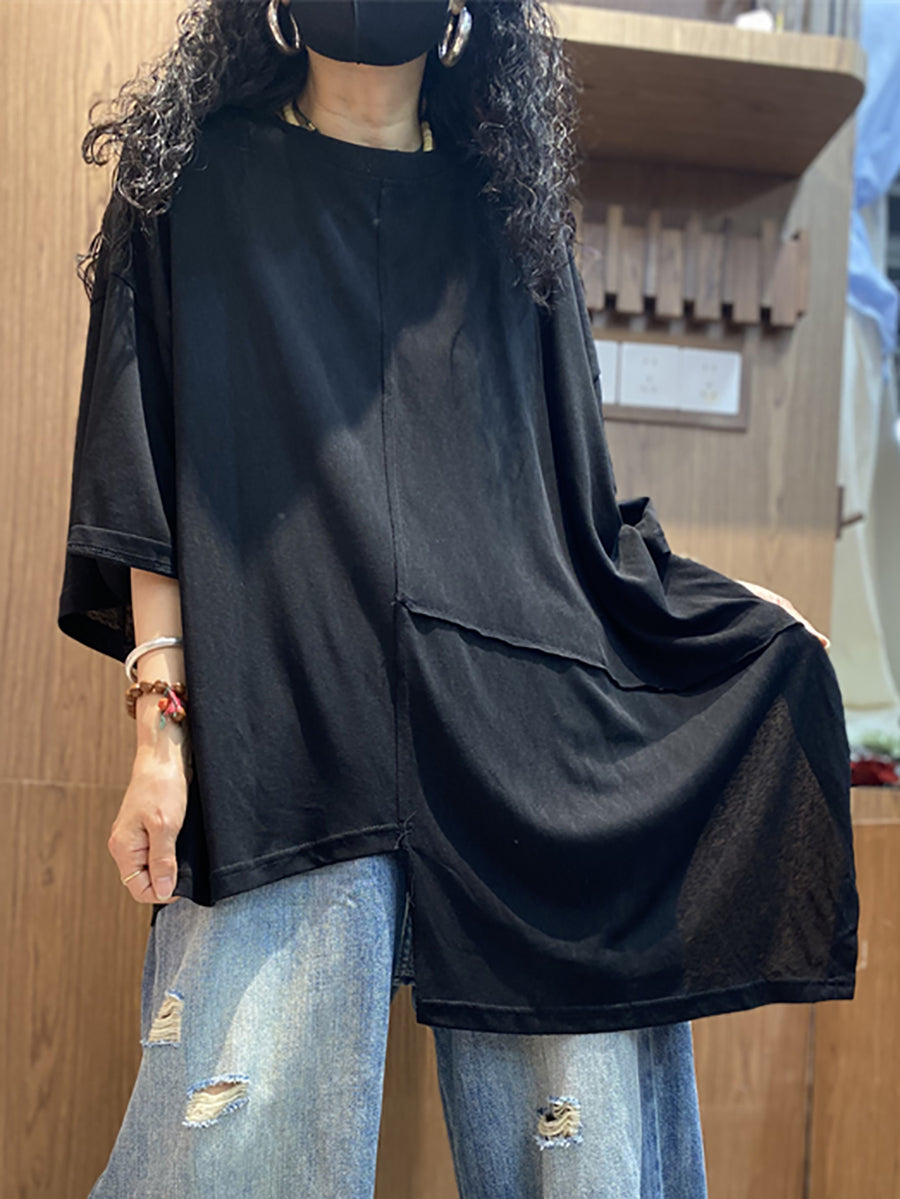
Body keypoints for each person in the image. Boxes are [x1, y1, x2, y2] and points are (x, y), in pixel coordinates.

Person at [57, 1, 858, 1195]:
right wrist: (159, 730)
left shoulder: (510, 213)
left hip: (516, 716)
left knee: (577, 1147)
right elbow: (144, 477)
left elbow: (576, 511)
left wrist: (724, 619)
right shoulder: (190, 182)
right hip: (286, 705)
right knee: (237, 1130)